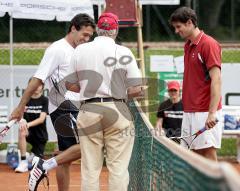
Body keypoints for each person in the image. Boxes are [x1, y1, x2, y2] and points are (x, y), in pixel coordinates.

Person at [10, 13, 95, 191]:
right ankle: (44, 165)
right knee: (89, 145)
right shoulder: (57, 49)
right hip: (63, 105)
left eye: (90, 36)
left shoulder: (80, 50)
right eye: (84, 34)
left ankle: (47, 168)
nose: (87, 39)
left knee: (66, 156)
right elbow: (37, 79)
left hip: (75, 106)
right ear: (73, 28)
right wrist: (20, 107)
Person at [66, 12, 142, 191]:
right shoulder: (123, 51)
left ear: (97, 30)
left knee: (90, 168)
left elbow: (70, 85)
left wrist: (86, 88)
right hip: (117, 108)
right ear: (115, 31)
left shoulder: (80, 50)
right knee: (118, 168)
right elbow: (137, 89)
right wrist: (121, 93)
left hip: (88, 108)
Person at [169, 7, 222, 161]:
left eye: (179, 27)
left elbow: (216, 80)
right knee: (193, 154)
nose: (176, 31)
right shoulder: (188, 45)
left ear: (190, 22)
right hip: (190, 110)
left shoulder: (208, 44)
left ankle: (216, 186)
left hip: (205, 111)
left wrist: (212, 113)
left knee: (207, 152)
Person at [15, 82, 48, 173]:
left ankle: (31, 156)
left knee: (38, 166)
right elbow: (19, 115)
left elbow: (41, 119)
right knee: (21, 129)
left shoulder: (45, 100)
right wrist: (22, 120)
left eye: (39, 85)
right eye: (35, 85)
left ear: (42, 87)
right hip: (28, 132)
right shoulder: (25, 100)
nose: (37, 87)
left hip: (40, 135)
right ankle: (23, 162)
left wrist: (28, 124)